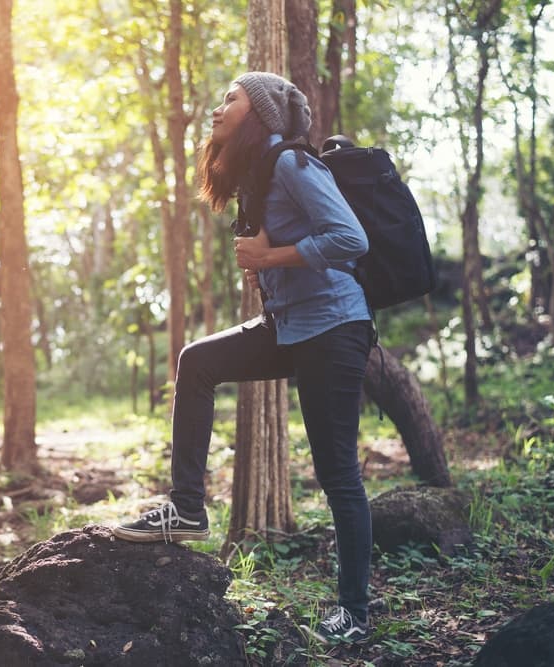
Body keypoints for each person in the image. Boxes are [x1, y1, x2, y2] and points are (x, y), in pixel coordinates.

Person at [112, 72, 374, 644]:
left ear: (259, 114)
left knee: (337, 474)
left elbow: (351, 240)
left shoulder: (291, 164)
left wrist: (271, 255)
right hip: (290, 326)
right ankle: (186, 509)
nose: (217, 107)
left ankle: (354, 611)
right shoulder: (257, 172)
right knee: (197, 360)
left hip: (334, 327)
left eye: (230, 98)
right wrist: (270, 260)